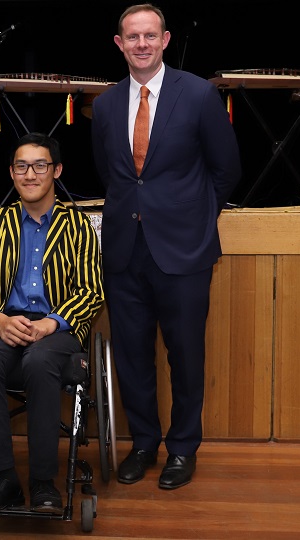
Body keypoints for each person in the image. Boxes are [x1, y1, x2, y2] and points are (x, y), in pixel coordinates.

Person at [91, 4, 242, 490]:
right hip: (123, 252)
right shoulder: (108, 102)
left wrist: (194, 218)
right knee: (132, 355)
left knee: (185, 354)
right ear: (119, 43)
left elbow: (226, 170)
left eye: (149, 36)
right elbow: (111, 174)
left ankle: (182, 449)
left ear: (165, 39)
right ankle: (143, 444)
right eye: (131, 36)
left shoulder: (197, 94)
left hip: (185, 252)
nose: (140, 44)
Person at [0, 132, 104, 513]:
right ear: (11, 173)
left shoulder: (79, 228)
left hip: (57, 328)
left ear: (56, 171)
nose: (30, 174)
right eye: (22, 166)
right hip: (4, 321)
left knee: (40, 362)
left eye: (40, 165)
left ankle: (43, 482)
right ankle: (4, 477)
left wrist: (51, 324)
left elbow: (92, 291)